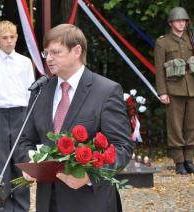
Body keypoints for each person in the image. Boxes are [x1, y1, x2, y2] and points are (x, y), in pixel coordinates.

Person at [16, 24, 134, 212]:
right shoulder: (41, 91)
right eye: (46, 53)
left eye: (55, 52)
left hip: (91, 201)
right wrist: (30, 161)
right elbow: (24, 140)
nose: (49, 59)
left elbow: (122, 147)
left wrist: (89, 175)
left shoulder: (106, 91)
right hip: (48, 201)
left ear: (77, 50)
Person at [0, 20, 34, 212]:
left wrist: (31, 124)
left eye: (12, 37)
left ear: (17, 38)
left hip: (21, 115)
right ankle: (2, 207)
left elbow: (31, 94)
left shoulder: (25, 62)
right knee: (1, 165)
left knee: (21, 163)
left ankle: (21, 207)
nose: (9, 41)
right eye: (4, 38)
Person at [154, 7, 194, 175]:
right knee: (175, 126)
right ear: (171, 23)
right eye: (178, 21)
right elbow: (159, 69)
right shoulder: (163, 42)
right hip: (173, 89)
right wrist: (162, 92)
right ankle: (179, 161)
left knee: (192, 126)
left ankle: (189, 160)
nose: (181, 23)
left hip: (192, 88)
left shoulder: (191, 40)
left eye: (184, 21)